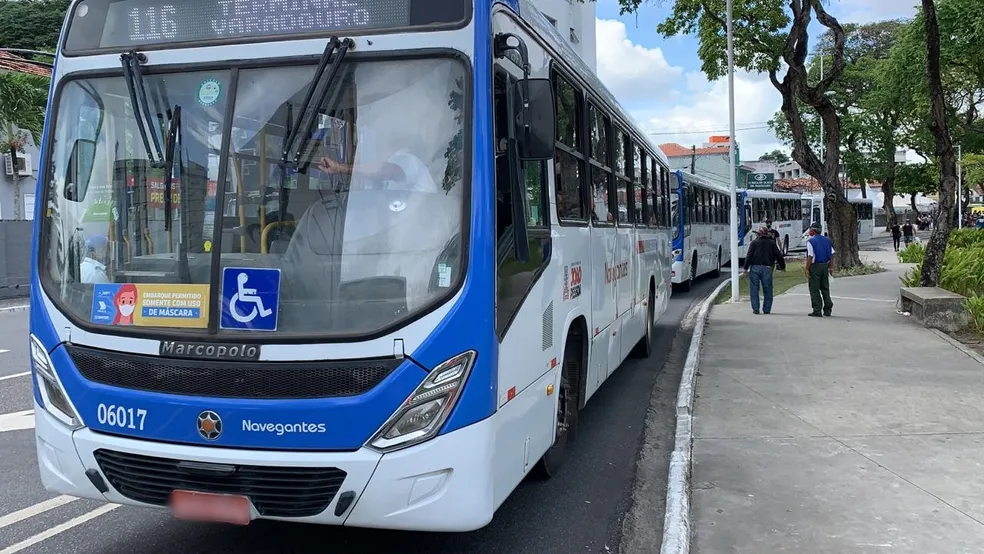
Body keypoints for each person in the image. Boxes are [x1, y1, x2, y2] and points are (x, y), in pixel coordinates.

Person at [742, 226, 786, 315]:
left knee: (754, 288)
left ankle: (756, 308)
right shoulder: (772, 243)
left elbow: (749, 256)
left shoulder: (754, 243)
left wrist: (745, 268)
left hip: (755, 268)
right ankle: (767, 309)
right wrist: (782, 266)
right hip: (767, 268)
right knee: (768, 289)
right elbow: (779, 255)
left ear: (758, 234)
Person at [804, 223, 835, 317]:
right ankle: (828, 308)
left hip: (815, 267)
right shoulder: (827, 241)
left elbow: (810, 256)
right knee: (825, 288)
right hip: (825, 266)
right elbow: (832, 254)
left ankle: (817, 310)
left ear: (812, 231)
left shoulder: (811, 242)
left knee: (814, 289)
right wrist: (830, 266)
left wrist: (806, 268)